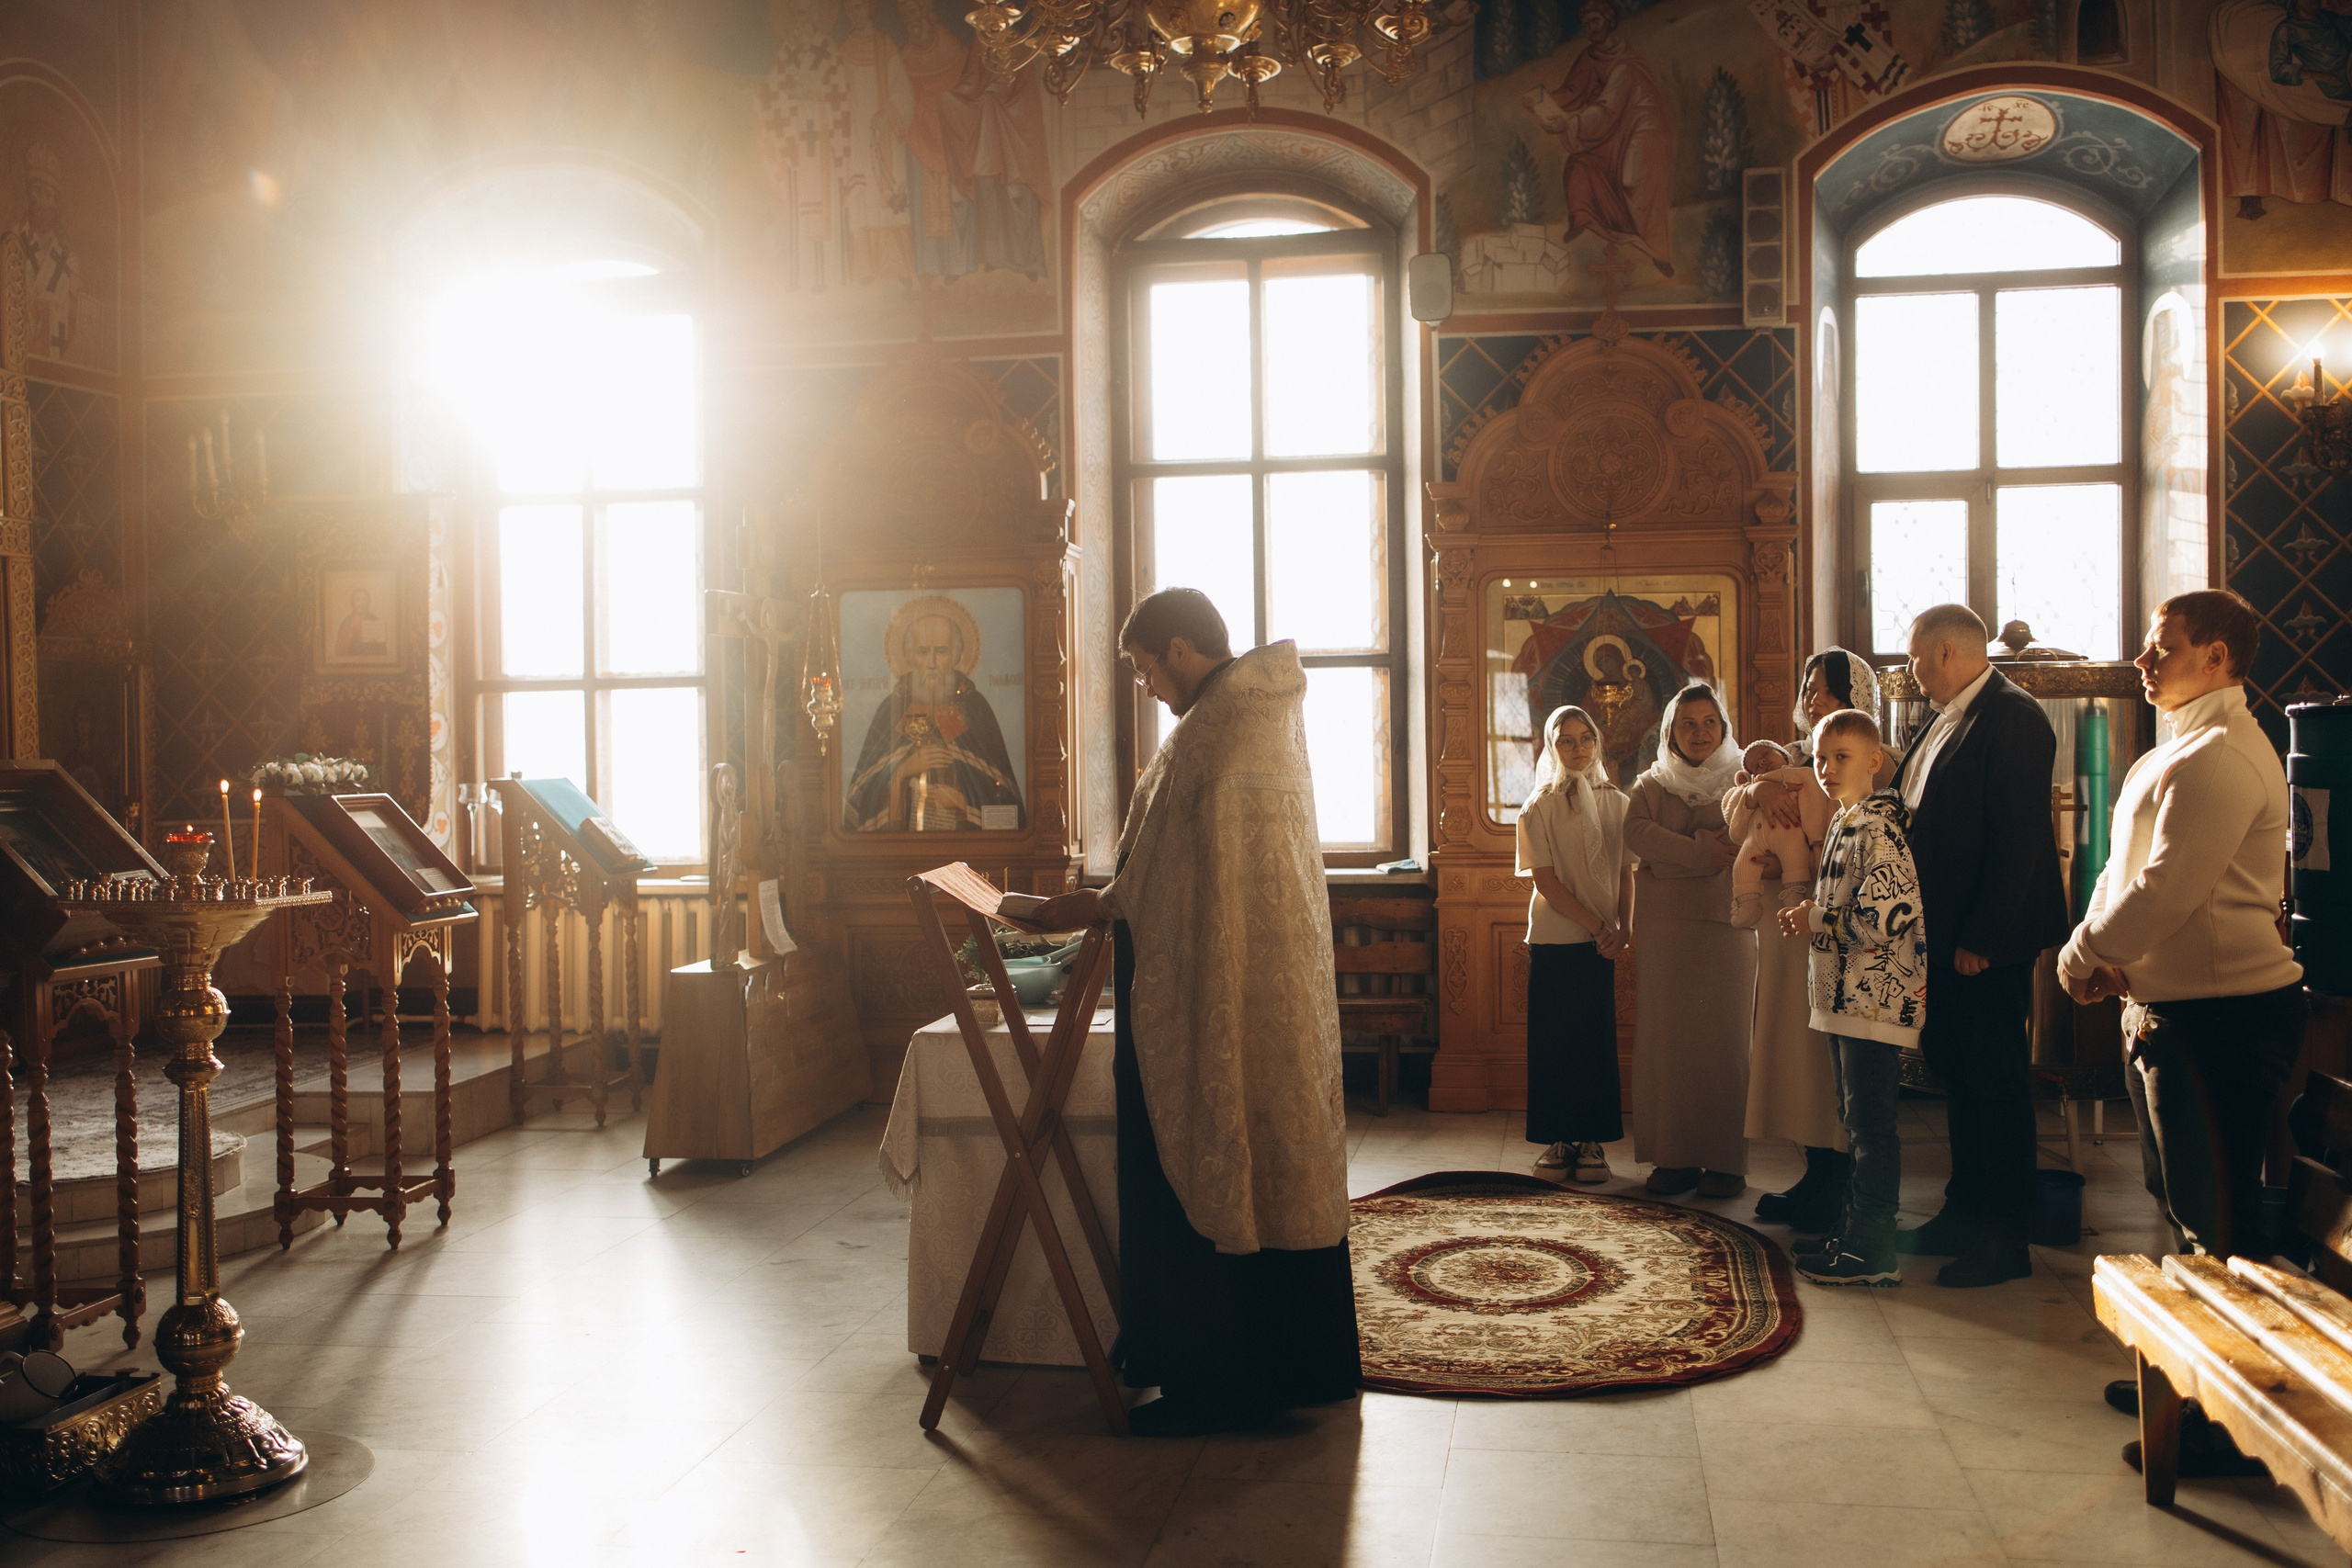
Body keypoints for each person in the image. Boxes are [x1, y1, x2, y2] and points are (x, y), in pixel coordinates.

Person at [1028, 588, 1357, 1438]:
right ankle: (1301, 1365)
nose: (1146, 686)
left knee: (1199, 1158)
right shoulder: (1267, 714)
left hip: (1208, 992)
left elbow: (1155, 877)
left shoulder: (1213, 729)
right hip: (1268, 988)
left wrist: (1077, 906)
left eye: (1145, 667)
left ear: (1179, 649)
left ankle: (1213, 1384)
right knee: (1275, 1158)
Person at [2062, 590, 2306, 1476]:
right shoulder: (2172, 749)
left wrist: (2084, 953)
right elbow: (2116, 870)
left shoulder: (2222, 755)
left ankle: (2231, 1425)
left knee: (2218, 1221)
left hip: (2224, 1019)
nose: (2143, 659)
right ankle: (2184, 1377)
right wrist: (2100, 949)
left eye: (2162, 646)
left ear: (2218, 657)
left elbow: (2168, 889)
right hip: (2171, 1009)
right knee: (2180, 1202)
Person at [1894, 604, 2070, 1288]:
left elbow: (2018, 839)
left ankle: (2005, 1236)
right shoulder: (1946, 715)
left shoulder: (2013, 716)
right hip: (1940, 936)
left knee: (1995, 1086)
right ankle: (1963, 1212)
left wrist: (1983, 939)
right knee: (1960, 1077)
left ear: (1945, 652)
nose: (1911, 670)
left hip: (1982, 942)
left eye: (1915, 657)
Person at [1726, 649, 1885, 1234]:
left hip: (1836, 930)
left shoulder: (1868, 759)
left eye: (1825, 689)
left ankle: (1840, 1180)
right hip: (1788, 933)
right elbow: (1737, 808)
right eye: (1808, 689)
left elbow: (1855, 843)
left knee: (1826, 1060)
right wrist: (1754, 795)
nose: (1813, 699)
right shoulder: (1793, 757)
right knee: (1794, 1055)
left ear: (1854, 695)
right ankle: (1816, 1169)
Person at [1779, 708, 1927, 1286]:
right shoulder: (1848, 820)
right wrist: (1814, 914)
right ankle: (1854, 1230)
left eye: (1841, 757)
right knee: (1854, 1119)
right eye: (1820, 757)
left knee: (1871, 1126)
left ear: (1874, 761)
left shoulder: (1877, 828)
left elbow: (1887, 917)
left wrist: (1815, 918)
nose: (1827, 768)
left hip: (1873, 1002)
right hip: (1846, 1001)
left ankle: (1873, 1248)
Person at [1624, 683, 1755, 1197]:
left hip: (1728, 927)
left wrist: (1668, 862)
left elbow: (1742, 843)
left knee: (1725, 1046)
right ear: (1670, 732)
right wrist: (1703, 852)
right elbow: (1637, 836)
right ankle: (1673, 1159)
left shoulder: (1746, 779)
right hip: (1666, 932)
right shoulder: (1650, 783)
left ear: (1723, 728)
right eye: (1687, 723)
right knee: (1668, 1044)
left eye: (1708, 722)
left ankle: (1726, 1163)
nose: (1699, 733)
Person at [1517, 705, 1636, 1183]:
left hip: (1602, 942)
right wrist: (1596, 925)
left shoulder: (1618, 803)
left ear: (1597, 743)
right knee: (1554, 1040)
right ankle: (1558, 1139)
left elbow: (1626, 873)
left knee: (1594, 1040)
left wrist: (1624, 928)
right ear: (1552, 747)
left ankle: (1591, 1142)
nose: (1578, 747)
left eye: (1586, 738)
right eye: (1566, 740)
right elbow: (1545, 880)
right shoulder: (1538, 806)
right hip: (1556, 938)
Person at [843, 606, 1024, 832]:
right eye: (922, 652)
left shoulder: (974, 709)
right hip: (901, 844)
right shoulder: (892, 709)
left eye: (941, 651)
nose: (931, 663)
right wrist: (903, 771)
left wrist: (960, 801)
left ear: (956, 656)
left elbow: (1003, 798)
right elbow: (863, 798)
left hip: (967, 844)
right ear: (910, 656)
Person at [1726, 739, 1828, 931]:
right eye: (1756, 765)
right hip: (1755, 842)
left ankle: (1795, 894)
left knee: (1794, 857)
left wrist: (1815, 836)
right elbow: (1735, 824)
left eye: (1765, 754)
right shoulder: (1752, 786)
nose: (1762, 762)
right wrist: (1753, 791)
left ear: (1785, 756)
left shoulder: (1800, 774)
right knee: (1742, 866)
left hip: (1794, 840)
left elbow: (1815, 804)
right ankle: (1747, 903)